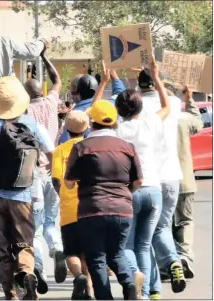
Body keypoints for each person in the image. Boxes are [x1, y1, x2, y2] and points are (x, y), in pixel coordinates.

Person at [94, 58, 170, 299]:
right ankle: (145, 295)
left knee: (125, 247)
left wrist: (104, 82)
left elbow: (92, 112)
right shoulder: (149, 123)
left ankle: (135, 277)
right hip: (154, 191)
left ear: (118, 110)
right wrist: (157, 78)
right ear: (139, 108)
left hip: (128, 193)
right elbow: (166, 106)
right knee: (144, 246)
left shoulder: (116, 129)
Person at [0, 76, 55, 300]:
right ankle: (27, 273)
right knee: (24, 244)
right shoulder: (29, 124)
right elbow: (51, 151)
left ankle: (10, 293)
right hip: (22, 194)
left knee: (1, 249)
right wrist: (44, 171)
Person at [64, 99, 143, 300]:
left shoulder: (81, 147)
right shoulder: (128, 147)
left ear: (92, 122)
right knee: (117, 254)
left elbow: (69, 183)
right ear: (114, 121)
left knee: (97, 258)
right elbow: (138, 181)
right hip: (123, 209)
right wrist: (124, 195)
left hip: (92, 210)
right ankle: (128, 284)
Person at [137, 67, 186, 297]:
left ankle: (158, 281)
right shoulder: (174, 104)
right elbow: (170, 95)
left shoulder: (136, 106)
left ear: (138, 85)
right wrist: (157, 76)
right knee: (161, 227)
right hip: (172, 175)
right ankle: (173, 262)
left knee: (146, 236)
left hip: (148, 180)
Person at [25, 48, 67, 284]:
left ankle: (39, 266)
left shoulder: (25, 112)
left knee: (36, 226)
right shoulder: (52, 102)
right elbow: (58, 80)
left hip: (34, 175)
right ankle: (57, 248)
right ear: (40, 90)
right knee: (52, 220)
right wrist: (44, 58)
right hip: (55, 170)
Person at [51, 110, 92, 299]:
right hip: (91, 207)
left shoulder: (60, 150)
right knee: (89, 254)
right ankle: (90, 291)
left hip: (69, 209)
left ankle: (78, 276)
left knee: (71, 251)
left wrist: (64, 195)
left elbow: (56, 179)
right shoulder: (91, 146)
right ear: (87, 127)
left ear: (67, 128)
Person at [173, 86, 203, 280]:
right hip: (185, 180)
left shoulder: (155, 119)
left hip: (162, 181)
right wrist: (190, 99)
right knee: (185, 220)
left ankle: (170, 260)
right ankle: (183, 256)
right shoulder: (182, 120)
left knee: (164, 224)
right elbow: (198, 122)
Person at [58, 71, 126, 144]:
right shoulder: (108, 108)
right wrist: (112, 73)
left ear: (75, 93)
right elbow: (121, 95)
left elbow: (65, 144)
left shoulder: (74, 117)